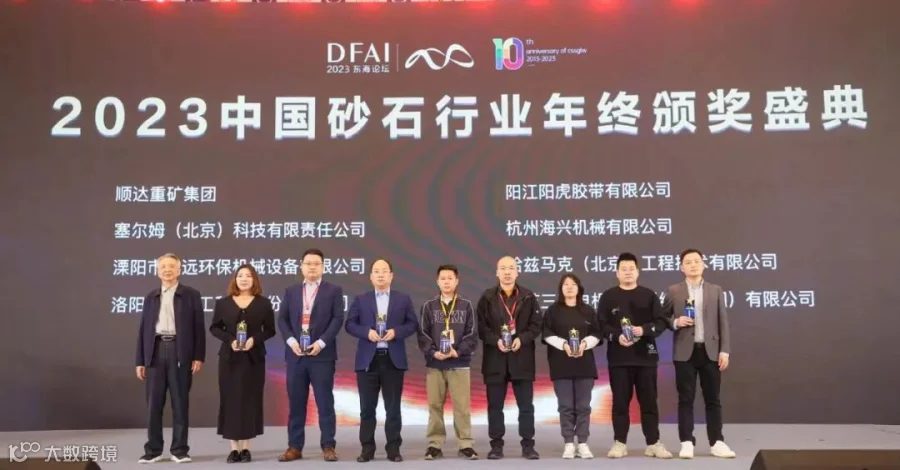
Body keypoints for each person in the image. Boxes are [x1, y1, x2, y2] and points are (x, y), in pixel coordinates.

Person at [597, 252, 672, 460]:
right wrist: (616, 336)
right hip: (619, 359)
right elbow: (601, 325)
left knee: (649, 402)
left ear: (638, 272)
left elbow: (661, 322)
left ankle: (653, 443)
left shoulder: (649, 295)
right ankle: (620, 443)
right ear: (617, 273)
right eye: (624, 269)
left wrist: (643, 330)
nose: (628, 272)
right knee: (620, 403)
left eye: (631, 269)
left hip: (646, 357)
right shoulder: (608, 297)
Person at [663, 249, 736, 459]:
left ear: (704, 264)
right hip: (684, 352)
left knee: (713, 399)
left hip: (710, 351)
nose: (693, 265)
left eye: (696, 261)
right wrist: (676, 322)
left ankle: (717, 441)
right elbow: (662, 318)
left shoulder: (715, 290)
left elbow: (723, 322)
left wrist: (725, 350)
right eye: (688, 262)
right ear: (681, 267)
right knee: (685, 399)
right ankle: (686, 442)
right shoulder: (673, 291)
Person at [344, 259, 420, 462]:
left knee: (393, 409)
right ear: (370, 276)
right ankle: (367, 449)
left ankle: (393, 449)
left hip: (392, 360)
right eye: (376, 271)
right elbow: (350, 324)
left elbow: (412, 324)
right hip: (368, 361)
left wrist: (396, 332)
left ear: (391, 275)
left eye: (384, 271)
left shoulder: (403, 299)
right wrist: (366, 332)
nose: (380, 275)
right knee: (367, 409)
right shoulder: (361, 299)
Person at [135, 253, 206, 464]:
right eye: (163, 267)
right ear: (158, 271)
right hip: (155, 351)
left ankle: (179, 450)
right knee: (154, 404)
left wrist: (198, 356)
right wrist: (140, 360)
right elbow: (143, 330)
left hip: (179, 350)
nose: (167, 270)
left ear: (179, 270)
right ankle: (153, 450)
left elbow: (198, 328)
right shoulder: (151, 296)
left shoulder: (191, 295)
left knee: (180, 402)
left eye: (171, 266)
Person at [277, 248, 345, 462]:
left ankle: (328, 445)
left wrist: (321, 343)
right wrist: (291, 342)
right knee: (296, 403)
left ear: (323, 267)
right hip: (296, 355)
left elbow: (337, 319)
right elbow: (282, 319)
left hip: (321, 355)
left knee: (325, 402)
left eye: (316, 264)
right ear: (301, 266)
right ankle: (294, 447)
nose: (312, 267)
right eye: (308, 263)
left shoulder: (333, 290)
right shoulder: (291, 291)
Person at [476, 256, 543, 460]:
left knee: (526, 407)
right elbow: (482, 327)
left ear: (517, 272)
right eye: (503, 268)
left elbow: (536, 325)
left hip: (521, 358)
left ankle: (528, 445)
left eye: (511, 268)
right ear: (497, 272)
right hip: (495, 359)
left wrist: (522, 339)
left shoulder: (528, 296)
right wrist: (495, 340)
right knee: (495, 407)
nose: (507, 272)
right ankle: (496, 446)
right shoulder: (487, 297)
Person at [209, 264, 276, 463]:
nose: (244, 279)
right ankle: (233, 448)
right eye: (240, 276)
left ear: (254, 280)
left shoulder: (263, 303)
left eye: (248, 276)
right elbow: (214, 328)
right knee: (230, 400)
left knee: (250, 400)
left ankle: (246, 448)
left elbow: (270, 330)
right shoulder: (223, 303)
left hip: (253, 359)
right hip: (229, 359)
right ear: (235, 279)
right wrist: (230, 340)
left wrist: (254, 340)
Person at [417, 264, 479, 461]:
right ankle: (434, 444)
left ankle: (465, 444)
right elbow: (423, 334)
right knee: (434, 405)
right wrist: (433, 352)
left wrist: (457, 352)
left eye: (450, 278)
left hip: (459, 363)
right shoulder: (428, 306)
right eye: (442, 278)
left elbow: (472, 335)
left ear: (456, 281)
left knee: (462, 407)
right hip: (435, 364)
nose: (446, 282)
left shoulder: (466, 306)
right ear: (437, 282)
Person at [541, 274, 602, 459]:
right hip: (561, 364)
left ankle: (582, 442)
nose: (569, 287)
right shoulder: (552, 311)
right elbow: (546, 333)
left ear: (579, 288)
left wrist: (584, 344)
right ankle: (568, 442)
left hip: (584, 364)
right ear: (561, 288)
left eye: (573, 284)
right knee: (565, 406)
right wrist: (564, 345)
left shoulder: (588, 310)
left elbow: (597, 333)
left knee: (583, 406)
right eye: (565, 284)